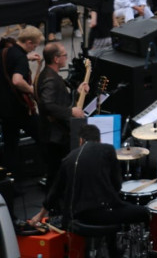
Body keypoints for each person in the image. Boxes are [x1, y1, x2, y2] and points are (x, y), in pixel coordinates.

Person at [30, 124, 148, 258]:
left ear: (80, 140)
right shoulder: (108, 149)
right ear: (99, 140)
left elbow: (54, 192)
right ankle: (127, 252)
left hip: (77, 218)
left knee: (111, 212)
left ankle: (111, 250)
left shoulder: (68, 159)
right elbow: (117, 185)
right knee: (143, 212)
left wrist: (39, 216)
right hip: (103, 214)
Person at [35, 42, 88, 184]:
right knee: (56, 175)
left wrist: (77, 93)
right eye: (64, 55)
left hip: (55, 134)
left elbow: (59, 100)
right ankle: (53, 204)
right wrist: (71, 111)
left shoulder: (50, 74)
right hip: (55, 136)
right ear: (56, 59)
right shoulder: (50, 79)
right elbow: (47, 104)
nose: (67, 58)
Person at [0, 26, 43, 181]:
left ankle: (12, 183)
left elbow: (11, 63)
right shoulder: (20, 58)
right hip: (18, 109)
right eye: (35, 45)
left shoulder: (7, 50)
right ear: (29, 42)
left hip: (4, 108)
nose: (35, 48)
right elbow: (17, 80)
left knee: (10, 145)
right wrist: (32, 90)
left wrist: (26, 58)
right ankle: (46, 170)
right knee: (42, 135)